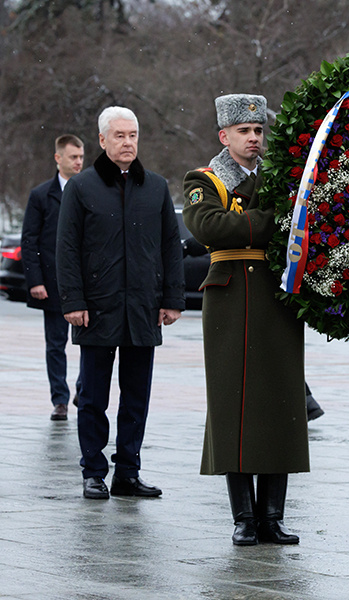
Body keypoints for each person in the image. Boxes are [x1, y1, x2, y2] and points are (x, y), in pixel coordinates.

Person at [182, 94, 308, 546]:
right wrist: (275, 220)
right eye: (244, 132)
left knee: (280, 405)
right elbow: (210, 227)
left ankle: (272, 516)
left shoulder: (285, 179)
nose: (254, 139)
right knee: (233, 406)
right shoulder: (206, 178)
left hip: (277, 299)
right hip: (231, 300)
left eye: (258, 131)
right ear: (224, 136)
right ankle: (243, 518)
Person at [57, 106, 185, 500]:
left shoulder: (157, 187)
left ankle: (128, 472)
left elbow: (169, 247)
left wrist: (172, 299)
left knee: (136, 397)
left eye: (133, 135)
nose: (128, 142)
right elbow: (66, 248)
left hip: (144, 308)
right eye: (119, 136)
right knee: (93, 396)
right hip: (95, 307)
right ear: (102, 140)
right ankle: (93, 471)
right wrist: (73, 301)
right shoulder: (82, 187)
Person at [21, 134, 84, 421]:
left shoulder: (90, 190)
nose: (79, 162)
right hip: (53, 284)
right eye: (73, 157)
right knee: (55, 344)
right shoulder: (41, 195)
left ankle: (83, 391)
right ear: (58, 158)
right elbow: (30, 241)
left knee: (90, 342)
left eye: (81, 157)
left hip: (87, 283)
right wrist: (35, 281)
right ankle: (59, 400)